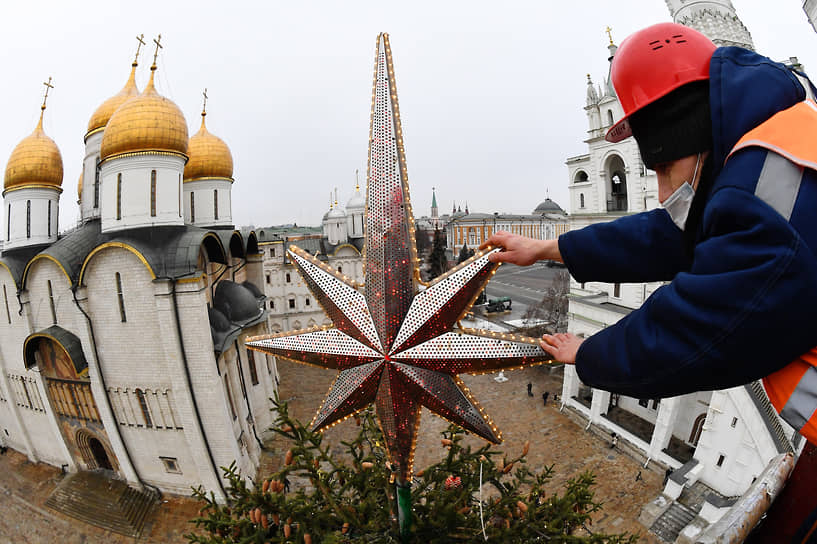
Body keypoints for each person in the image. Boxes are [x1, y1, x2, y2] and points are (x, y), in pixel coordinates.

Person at [482, 21, 817, 540]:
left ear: (692, 134)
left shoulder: (770, 188)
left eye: (662, 168)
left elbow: (696, 332)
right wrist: (548, 247)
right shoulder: (772, 147)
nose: (661, 193)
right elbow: (666, 235)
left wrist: (589, 355)